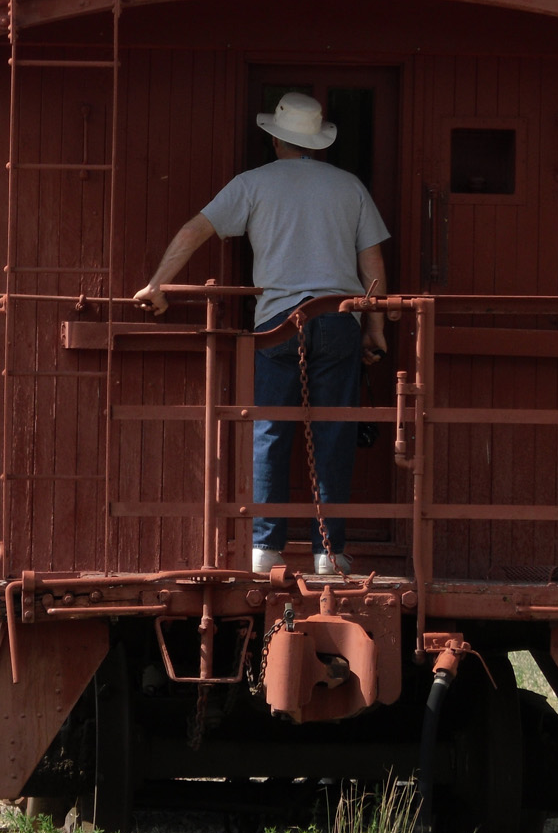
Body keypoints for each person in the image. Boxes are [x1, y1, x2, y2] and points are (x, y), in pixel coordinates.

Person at [134, 91, 390, 574]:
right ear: (319, 143)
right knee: (334, 433)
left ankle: (264, 550)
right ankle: (329, 555)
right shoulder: (349, 187)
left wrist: (157, 284)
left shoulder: (252, 184)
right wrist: (375, 328)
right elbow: (371, 260)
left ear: (275, 139)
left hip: (277, 322)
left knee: (270, 430)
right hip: (338, 319)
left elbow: (195, 230)